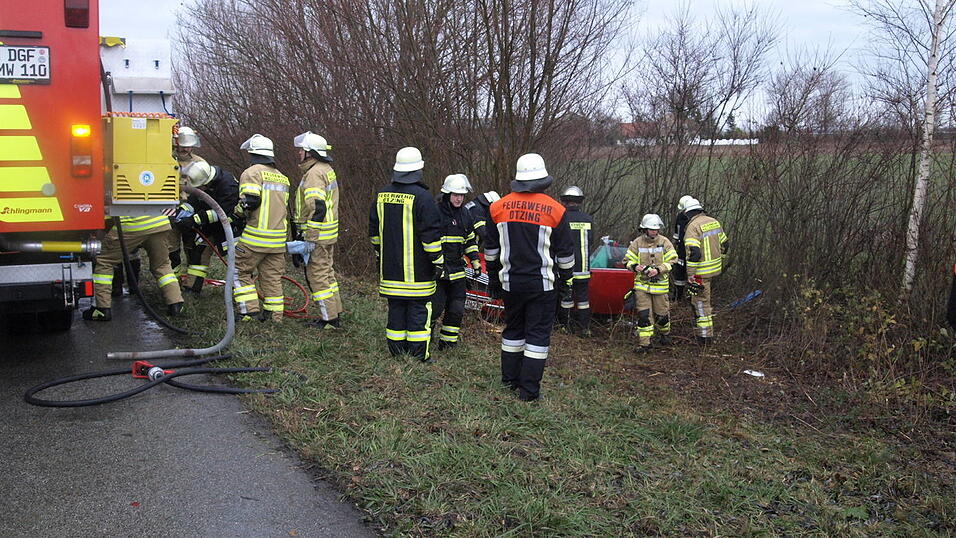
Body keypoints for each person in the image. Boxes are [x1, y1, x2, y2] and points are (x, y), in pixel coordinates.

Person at [485, 153, 574, 402]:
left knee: (513, 330)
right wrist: (566, 281)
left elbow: (490, 250)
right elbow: (566, 254)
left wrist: (493, 277)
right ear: (543, 180)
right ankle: (529, 393)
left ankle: (509, 382)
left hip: (509, 282)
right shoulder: (556, 210)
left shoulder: (497, 207)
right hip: (542, 284)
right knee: (536, 336)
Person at [369, 147, 444, 362]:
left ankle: (396, 352)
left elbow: (374, 232)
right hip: (418, 274)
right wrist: (438, 262)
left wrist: (379, 255)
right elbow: (430, 237)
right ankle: (419, 355)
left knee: (396, 310)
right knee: (419, 312)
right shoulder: (423, 198)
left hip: (390, 271)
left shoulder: (382, 195)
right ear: (418, 170)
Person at [232, 134, 290, 322]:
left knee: (239, 271)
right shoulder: (282, 177)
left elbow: (251, 200)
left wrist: (237, 213)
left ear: (252, 153)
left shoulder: (252, 172)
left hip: (255, 238)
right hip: (278, 240)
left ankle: (249, 312)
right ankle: (274, 316)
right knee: (272, 277)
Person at [84, 214, 184, 321]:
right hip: (159, 224)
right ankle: (176, 304)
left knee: (105, 261)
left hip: (130, 225)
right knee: (162, 265)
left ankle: (102, 309)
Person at [292, 131, 343, 328]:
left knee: (318, 276)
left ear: (310, 153)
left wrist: (310, 237)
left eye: (301, 150)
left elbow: (318, 207)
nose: (298, 153)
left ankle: (328, 319)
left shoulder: (314, 174)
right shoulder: (325, 168)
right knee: (327, 273)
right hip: (328, 233)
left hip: (318, 235)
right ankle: (335, 312)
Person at [174, 160, 240, 295]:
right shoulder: (204, 183)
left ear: (208, 181)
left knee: (237, 261)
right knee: (199, 253)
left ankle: (241, 291)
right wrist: (181, 213)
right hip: (210, 226)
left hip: (230, 227)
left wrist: (194, 219)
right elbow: (193, 201)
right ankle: (192, 288)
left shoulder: (228, 185)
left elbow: (223, 212)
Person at [433, 174, 481, 349]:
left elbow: (469, 240)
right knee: (435, 308)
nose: (459, 198)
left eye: (461, 195)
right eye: (455, 194)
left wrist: (475, 259)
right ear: (447, 194)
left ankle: (447, 345)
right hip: (438, 271)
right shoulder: (435, 212)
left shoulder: (465, 214)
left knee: (456, 310)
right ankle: (425, 339)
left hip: (458, 271)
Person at [624, 214, 677, 352]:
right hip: (642, 286)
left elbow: (673, 260)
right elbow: (627, 260)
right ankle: (645, 344)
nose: (655, 231)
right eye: (652, 229)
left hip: (660, 287)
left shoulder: (665, 242)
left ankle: (665, 334)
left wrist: (659, 269)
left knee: (662, 316)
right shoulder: (637, 243)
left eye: (656, 229)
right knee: (644, 315)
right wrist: (635, 267)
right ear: (644, 229)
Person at [680, 196, 729, 344]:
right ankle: (705, 334)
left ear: (687, 213)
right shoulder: (714, 221)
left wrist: (691, 275)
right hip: (714, 269)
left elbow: (695, 253)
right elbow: (725, 244)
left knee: (701, 303)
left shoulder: (692, 227)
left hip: (701, 273)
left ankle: (705, 336)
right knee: (704, 300)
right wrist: (719, 259)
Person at [168, 126, 207, 273]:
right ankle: (174, 283)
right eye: (183, 145)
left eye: (189, 146)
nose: (185, 149)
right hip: (170, 209)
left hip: (192, 211)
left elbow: (205, 187)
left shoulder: (200, 163)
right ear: (176, 142)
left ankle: (192, 284)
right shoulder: (166, 160)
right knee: (171, 248)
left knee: (193, 248)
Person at [556, 186, 594, 335]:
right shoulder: (588, 219)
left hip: (566, 267)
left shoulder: (561, 218)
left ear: (564, 201)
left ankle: (565, 327)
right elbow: (590, 241)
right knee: (583, 299)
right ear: (580, 202)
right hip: (583, 267)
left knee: (566, 297)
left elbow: (556, 242)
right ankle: (585, 328)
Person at [671, 195, 694, 301]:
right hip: (681, 249)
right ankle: (678, 296)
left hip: (692, 249)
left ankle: (691, 297)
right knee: (679, 271)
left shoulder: (694, 218)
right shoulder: (680, 216)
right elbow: (677, 232)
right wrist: (675, 244)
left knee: (692, 272)